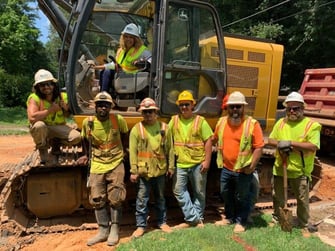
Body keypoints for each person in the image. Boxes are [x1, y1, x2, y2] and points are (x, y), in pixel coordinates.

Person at [76, 91, 129, 246]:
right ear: (95, 107)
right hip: (97, 164)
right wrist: (86, 155)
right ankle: (103, 230)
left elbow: (124, 135)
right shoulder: (88, 122)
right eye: (100, 105)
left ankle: (115, 229)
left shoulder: (118, 120)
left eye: (106, 105)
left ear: (110, 107)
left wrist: (123, 152)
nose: (102, 108)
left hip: (116, 162)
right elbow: (85, 139)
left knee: (116, 197)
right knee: (97, 198)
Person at [268, 91, 321, 232]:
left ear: (302, 109)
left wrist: (290, 143)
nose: (292, 111)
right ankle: (277, 218)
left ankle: (303, 224)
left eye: (296, 108)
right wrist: (280, 144)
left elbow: (313, 146)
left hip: (300, 170)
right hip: (280, 167)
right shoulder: (281, 122)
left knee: (302, 200)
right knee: (277, 197)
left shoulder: (311, 125)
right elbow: (271, 140)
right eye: (289, 108)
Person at [212, 91, 264, 233]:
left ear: (243, 108)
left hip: (243, 170)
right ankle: (229, 217)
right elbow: (214, 139)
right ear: (227, 108)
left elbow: (259, 147)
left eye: (238, 107)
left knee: (242, 196)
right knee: (226, 193)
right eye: (232, 107)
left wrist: (252, 166)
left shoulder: (252, 124)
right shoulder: (222, 122)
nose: (235, 110)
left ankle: (241, 221)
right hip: (226, 168)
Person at [129, 98, 175, 238]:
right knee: (142, 199)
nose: (148, 114)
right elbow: (133, 152)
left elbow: (170, 149)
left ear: (156, 113)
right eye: (145, 112)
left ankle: (162, 222)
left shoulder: (164, 128)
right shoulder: (137, 129)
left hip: (160, 170)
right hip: (143, 172)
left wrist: (171, 167)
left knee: (160, 198)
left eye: (151, 112)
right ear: (142, 114)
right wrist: (133, 171)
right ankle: (141, 226)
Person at [168, 90, 213, 228]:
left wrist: (207, 161)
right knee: (178, 190)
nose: (184, 107)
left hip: (198, 163)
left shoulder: (200, 121)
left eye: (187, 104)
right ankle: (195, 219)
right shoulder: (174, 120)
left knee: (199, 192)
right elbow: (166, 137)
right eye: (181, 105)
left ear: (193, 105)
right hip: (181, 163)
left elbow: (208, 141)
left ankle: (196, 218)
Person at [26, 69, 81, 164]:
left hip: (58, 127)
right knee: (39, 125)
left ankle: (55, 142)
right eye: (42, 85)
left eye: (49, 84)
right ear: (37, 87)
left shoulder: (62, 96)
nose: (46, 87)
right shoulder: (34, 98)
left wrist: (66, 108)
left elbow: (67, 115)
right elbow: (32, 118)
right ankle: (42, 148)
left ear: (53, 85)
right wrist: (50, 110)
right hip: (44, 128)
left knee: (76, 137)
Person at [95, 23, 152, 94]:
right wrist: (96, 67)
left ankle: (104, 96)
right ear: (123, 38)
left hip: (132, 78)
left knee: (107, 71)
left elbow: (151, 61)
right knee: (103, 71)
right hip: (122, 76)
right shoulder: (121, 50)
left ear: (136, 39)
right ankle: (103, 95)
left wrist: (142, 62)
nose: (128, 39)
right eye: (126, 37)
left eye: (131, 37)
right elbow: (114, 64)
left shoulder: (142, 50)